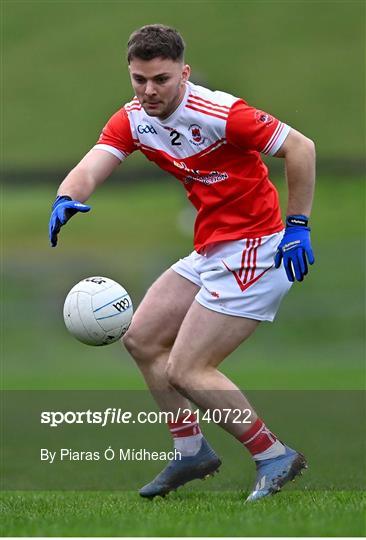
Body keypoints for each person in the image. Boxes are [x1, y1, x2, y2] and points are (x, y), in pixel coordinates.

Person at [49, 24, 315, 502]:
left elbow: (302, 147)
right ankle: (190, 450)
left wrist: (298, 225)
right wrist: (67, 196)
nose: (149, 90)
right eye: (138, 79)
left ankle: (273, 454)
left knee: (187, 368)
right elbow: (94, 162)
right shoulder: (133, 119)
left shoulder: (221, 112)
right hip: (213, 247)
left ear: (183, 74)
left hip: (257, 248)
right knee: (143, 338)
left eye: (161, 79)